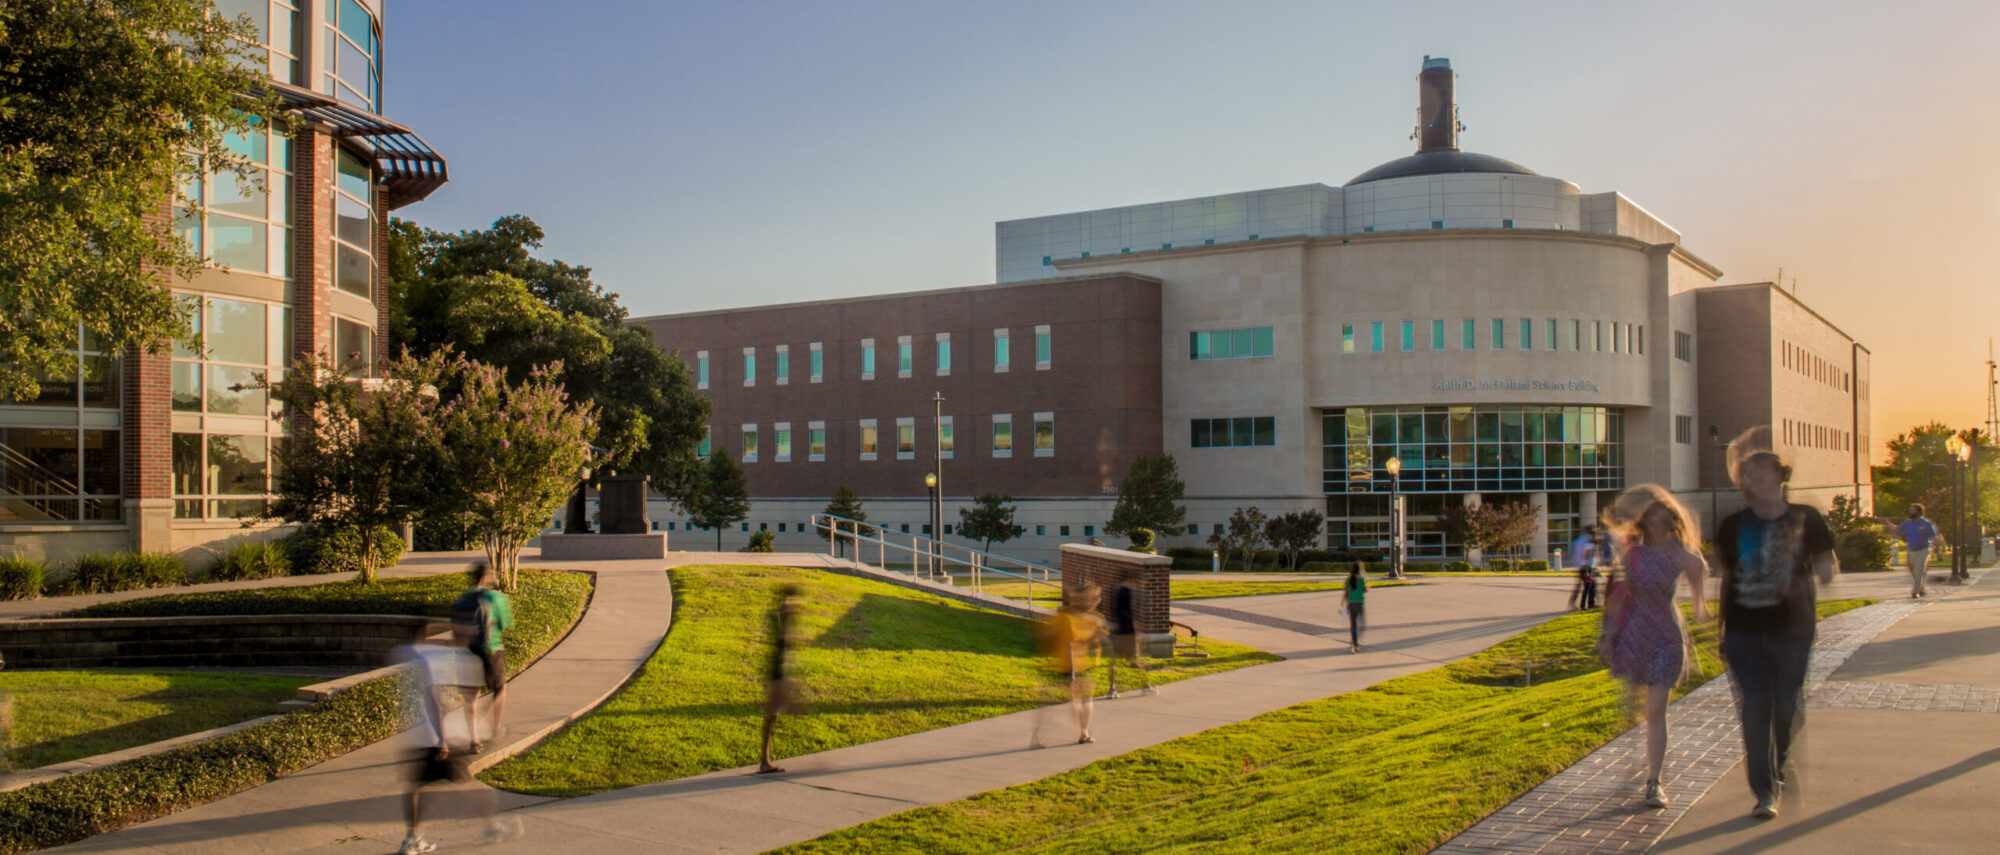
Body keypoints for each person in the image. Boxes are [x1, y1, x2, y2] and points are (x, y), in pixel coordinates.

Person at [1715, 436, 1837, 820]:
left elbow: (1827, 566)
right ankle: (1764, 790)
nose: (1754, 478)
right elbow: (1729, 577)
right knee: (1754, 709)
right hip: (1743, 632)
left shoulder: (1807, 518)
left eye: (1762, 471)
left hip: (1792, 630)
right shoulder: (1733, 525)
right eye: (1748, 474)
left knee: (1786, 707)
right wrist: (1722, 629)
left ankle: (1779, 767)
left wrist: (1818, 574)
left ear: (1781, 476)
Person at [1599, 486, 1709, 810]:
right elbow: (1620, 596)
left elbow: (1697, 570)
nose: (1659, 527)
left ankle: (1654, 780)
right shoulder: (1634, 555)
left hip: (1666, 637)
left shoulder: (1680, 555)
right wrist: (1608, 636)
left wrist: (1701, 605)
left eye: (1665, 521)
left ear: (1672, 524)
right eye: (1654, 521)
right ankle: (1634, 765)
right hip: (1634, 635)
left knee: (1654, 711)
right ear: (1645, 524)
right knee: (1632, 705)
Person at [397, 634, 520, 855]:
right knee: (467, 784)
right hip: (441, 738)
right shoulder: (443, 659)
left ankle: (411, 839)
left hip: (418, 735)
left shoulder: (411, 655)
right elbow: (435, 698)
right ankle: (492, 826)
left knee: (417, 787)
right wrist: (443, 739)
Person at [451, 563, 514, 752]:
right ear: (486, 577)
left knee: (471, 697)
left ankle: (474, 739)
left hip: (467, 651)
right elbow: (505, 623)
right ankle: (495, 727)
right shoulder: (494, 597)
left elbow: (455, 629)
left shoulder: (461, 600)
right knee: (500, 688)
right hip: (490, 648)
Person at [1033, 584, 1105, 746]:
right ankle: (1043, 735)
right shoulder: (1067, 619)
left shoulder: (1092, 617)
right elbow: (1068, 644)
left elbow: (1094, 640)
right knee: (1071, 701)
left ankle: (1083, 732)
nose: (1095, 600)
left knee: (1083, 700)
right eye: (1092, 596)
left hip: (1084, 665)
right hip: (1070, 666)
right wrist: (1071, 673)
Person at [758, 585, 803, 773]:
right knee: (773, 715)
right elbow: (782, 641)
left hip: (779, 670)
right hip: (777, 671)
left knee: (774, 715)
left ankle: (765, 760)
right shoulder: (779, 617)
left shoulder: (781, 616)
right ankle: (764, 761)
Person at [1104, 580, 1154, 698]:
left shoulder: (1114, 590)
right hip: (1128, 632)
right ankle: (1146, 685)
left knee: (1113, 661)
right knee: (1135, 661)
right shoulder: (1129, 591)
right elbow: (1131, 612)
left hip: (1114, 631)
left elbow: (1113, 610)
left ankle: (1112, 689)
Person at [1897, 504, 1939, 598]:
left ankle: (1915, 591)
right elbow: (1898, 530)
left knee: (1919, 570)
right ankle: (1921, 587)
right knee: (1912, 570)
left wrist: (1925, 534)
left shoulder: (1926, 523)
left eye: (1913, 510)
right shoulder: (1907, 523)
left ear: (1919, 512)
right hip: (1911, 549)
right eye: (1910, 510)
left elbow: (1933, 534)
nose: (1910, 512)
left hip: (1923, 550)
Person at [1569, 525, 1600, 610]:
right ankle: (1584, 605)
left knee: (1590, 586)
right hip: (1585, 567)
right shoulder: (1588, 543)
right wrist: (1586, 569)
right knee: (1588, 587)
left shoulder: (1581, 541)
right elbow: (1586, 556)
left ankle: (1589, 604)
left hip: (1583, 567)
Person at [1341, 562, 1369, 652]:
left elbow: (1346, 592)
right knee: (1362, 625)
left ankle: (1354, 643)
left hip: (1351, 603)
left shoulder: (1348, 579)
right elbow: (1366, 589)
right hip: (1360, 603)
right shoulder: (1362, 579)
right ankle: (1355, 641)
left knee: (1353, 625)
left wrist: (1343, 603)